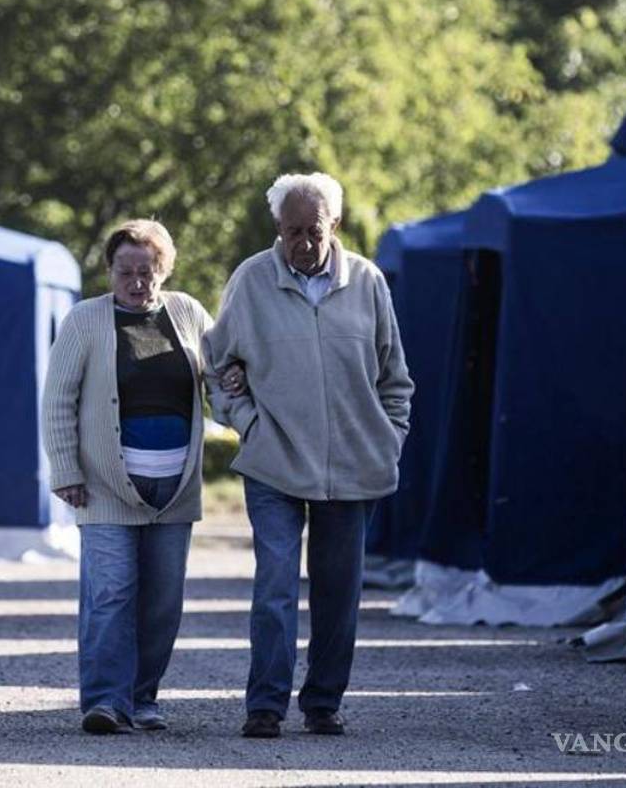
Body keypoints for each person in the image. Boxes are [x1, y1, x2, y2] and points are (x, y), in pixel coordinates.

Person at [203, 173, 414, 738]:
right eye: (291, 230)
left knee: (338, 591)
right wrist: (247, 423)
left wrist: (389, 436)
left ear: (334, 226)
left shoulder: (368, 282)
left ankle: (323, 701)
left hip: (353, 464)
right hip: (274, 462)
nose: (302, 241)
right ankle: (265, 705)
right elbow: (217, 369)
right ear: (278, 227)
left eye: (312, 230)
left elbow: (395, 378)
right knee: (274, 585)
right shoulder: (251, 281)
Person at [41, 219, 244, 734]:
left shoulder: (189, 313)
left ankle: (142, 695)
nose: (136, 281)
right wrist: (66, 469)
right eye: (125, 271)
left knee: (162, 600)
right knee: (111, 593)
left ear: (164, 270)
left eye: (147, 271)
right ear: (109, 271)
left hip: (173, 489)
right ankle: (106, 701)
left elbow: (218, 380)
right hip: (106, 485)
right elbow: (57, 401)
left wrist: (234, 381)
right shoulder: (85, 321)